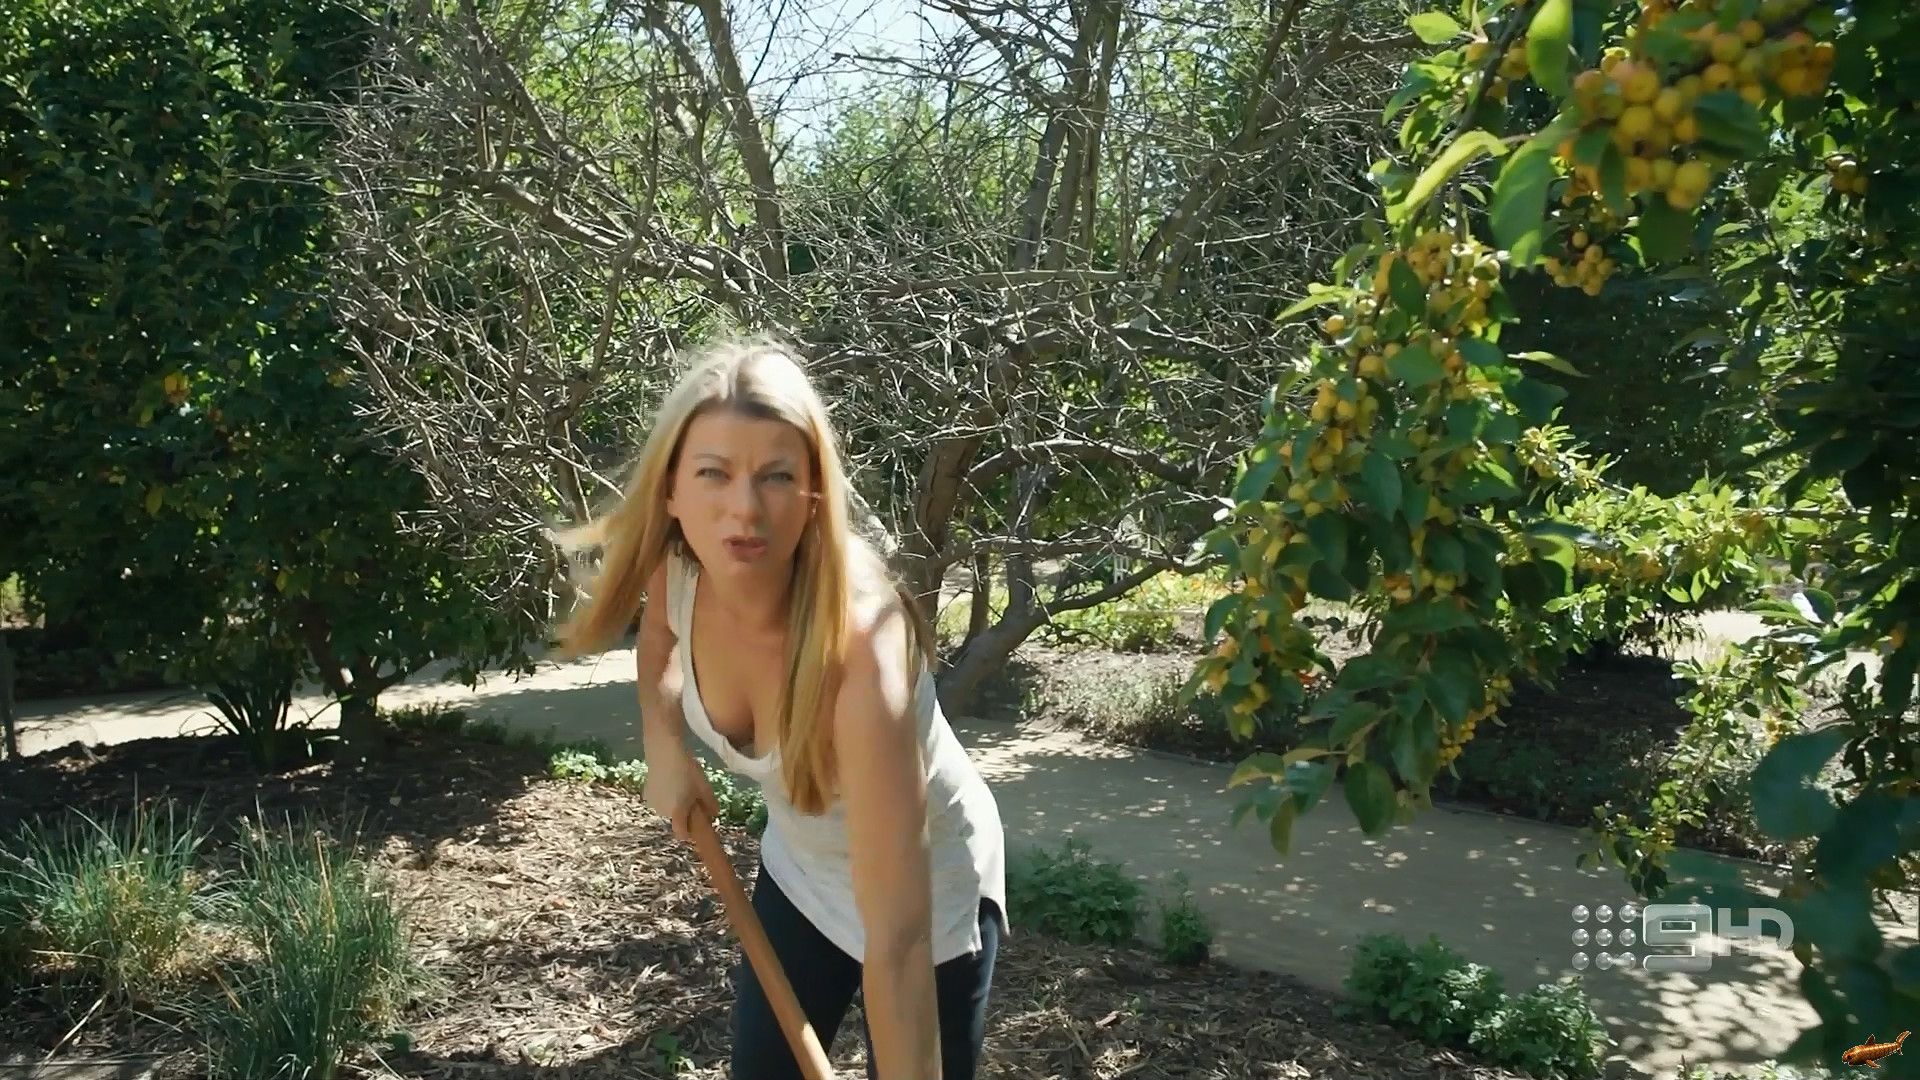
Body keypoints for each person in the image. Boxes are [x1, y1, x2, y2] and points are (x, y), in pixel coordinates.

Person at [553, 333, 1008, 1080]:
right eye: (713, 473)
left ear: (814, 493)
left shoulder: (862, 647)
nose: (744, 509)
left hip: (929, 895)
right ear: (671, 491)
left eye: (776, 476)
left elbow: (897, 942)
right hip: (802, 872)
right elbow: (659, 642)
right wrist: (664, 746)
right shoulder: (681, 566)